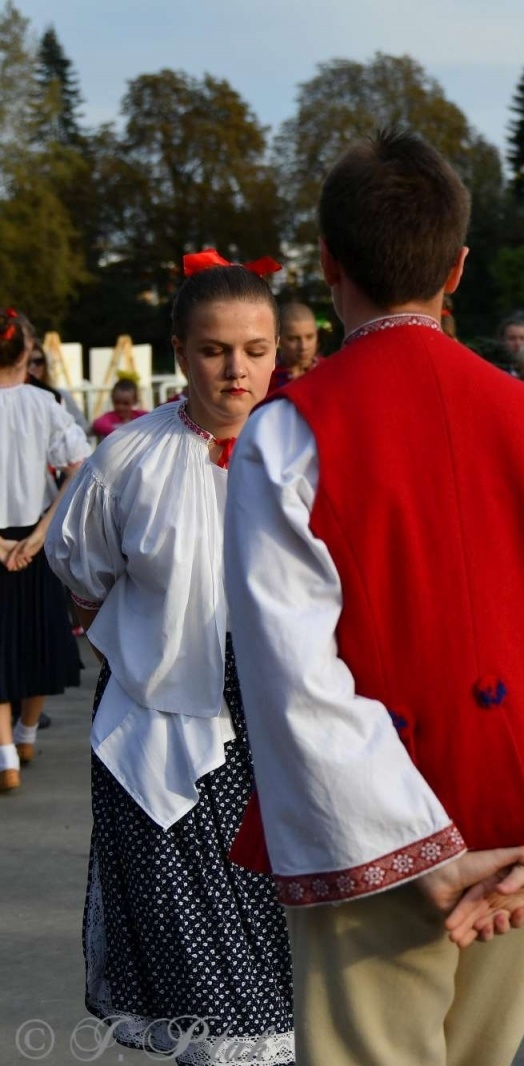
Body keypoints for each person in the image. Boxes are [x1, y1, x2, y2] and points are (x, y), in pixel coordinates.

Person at [223, 128, 524, 1066]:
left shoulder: (286, 437)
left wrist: (415, 844)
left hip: (368, 824)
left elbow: (293, 670)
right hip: (521, 818)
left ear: (328, 263)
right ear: (457, 270)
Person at [45, 253, 295, 1062]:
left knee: (282, 939)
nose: (237, 369)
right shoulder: (127, 460)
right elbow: (83, 569)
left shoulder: (308, 451)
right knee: (193, 957)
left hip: (284, 726)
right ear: (180, 351)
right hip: (158, 728)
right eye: (216, 349)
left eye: (256, 349)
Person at [0, 307, 90, 792]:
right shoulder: (45, 404)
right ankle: (27, 733)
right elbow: (82, 465)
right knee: (37, 638)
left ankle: (6, 756)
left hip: (4, 539)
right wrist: (40, 533)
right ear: (26, 353)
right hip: (35, 538)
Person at [22, 313, 92, 434]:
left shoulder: (59, 395)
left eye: (38, 361)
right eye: (29, 362)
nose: (33, 367)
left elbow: (83, 426)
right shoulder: (11, 398)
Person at [269, 302, 320, 395]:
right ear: (278, 340)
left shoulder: (329, 371)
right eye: (293, 339)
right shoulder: (266, 377)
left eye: (310, 337)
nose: (303, 347)